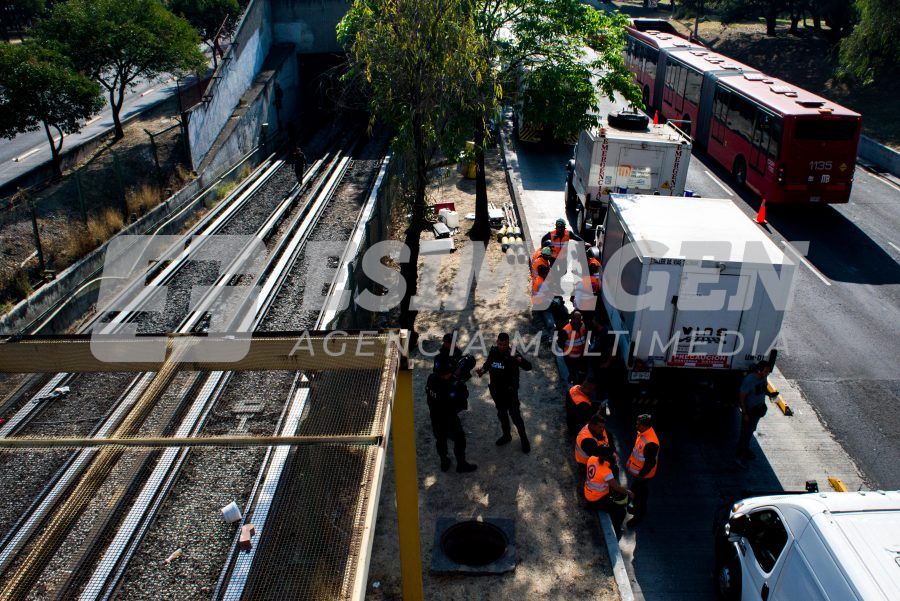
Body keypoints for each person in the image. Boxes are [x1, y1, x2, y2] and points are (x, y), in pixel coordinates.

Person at [476, 333, 533, 453]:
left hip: (510, 393)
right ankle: (507, 435)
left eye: (505, 344)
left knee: (516, 417)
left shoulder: (513, 353)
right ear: (497, 342)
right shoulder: (493, 351)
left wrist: (520, 360)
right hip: (497, 392)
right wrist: (482, 371)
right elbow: (488, 364)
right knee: (502, 415)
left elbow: (528, 367)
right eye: (500, 344)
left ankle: (524, 439)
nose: (502, 347)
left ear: (508, 344)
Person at [425, 364, 477, 473]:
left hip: (435, 417)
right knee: (460, 439)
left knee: (441, 440)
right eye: (449, 373)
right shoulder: (450, 386)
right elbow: (463, 396)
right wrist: (459, 383)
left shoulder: (431, 378)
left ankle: (444, 462)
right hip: (448, 418)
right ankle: (461, 464)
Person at [582, 438, 633, 536]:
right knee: (621, 511)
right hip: (597, 499)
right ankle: (617, 530)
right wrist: (629, 492)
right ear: (608, 457)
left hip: (588, 492)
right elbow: (616, 487)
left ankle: (590, 505)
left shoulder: (591, 459)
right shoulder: (606, 472)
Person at [736, 361, 778, 466]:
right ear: (759, 370)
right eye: (765, 371)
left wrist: (770, 394)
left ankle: (745, 450)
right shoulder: (749, 380)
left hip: (758, 410)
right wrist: (744, 413)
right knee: (745, 433)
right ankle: (739, 456)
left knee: (751, 431)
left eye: (768, 371)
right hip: (750, 411)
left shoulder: (763, 377)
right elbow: (742, 397)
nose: (767, 373)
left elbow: (763, 388)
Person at [625, 414, 659, 528]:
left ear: (645, 426)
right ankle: (640, 510)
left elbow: (651, 463)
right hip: (639, 474)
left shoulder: (650, 443)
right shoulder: (643, 434)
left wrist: (641, 475)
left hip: (643, 476)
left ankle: (638, 516)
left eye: (638, 424)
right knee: (641, 493)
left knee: (638, 494)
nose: (636, 425)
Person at [559, 311, 588, 384]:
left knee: (581, 373)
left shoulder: (583, 325)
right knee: (573, 373)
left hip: (581, 355)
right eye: (577, 319)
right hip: (570, 357)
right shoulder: (565, 330)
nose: (579, 321)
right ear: (572, 319)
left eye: (580, 318)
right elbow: (560, 344)